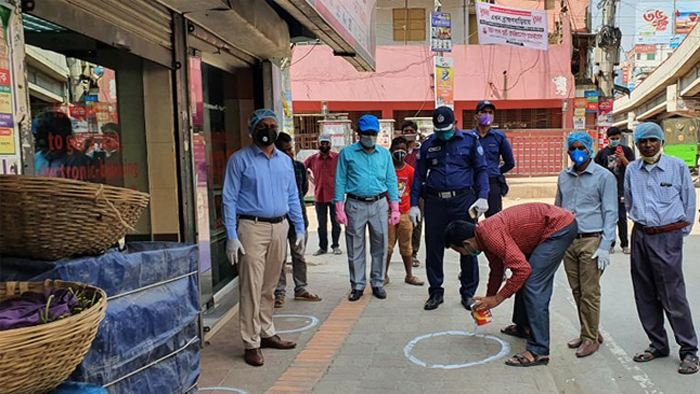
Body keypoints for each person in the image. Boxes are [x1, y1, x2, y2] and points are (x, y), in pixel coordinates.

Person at [444, 203, 577, 367]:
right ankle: (524, 327)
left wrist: (498, 299)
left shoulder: (490, 235)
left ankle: (539, 351)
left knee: (533, 284)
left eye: (460, 251)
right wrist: (488, 300)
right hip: (541, 231)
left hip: (558, 228)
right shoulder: (483, 237)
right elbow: (497, 270)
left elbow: (522, 270)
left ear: (466, 243)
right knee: (525, 278)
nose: (465, 254)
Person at [223, 109, 305, 367]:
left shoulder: (284, 161)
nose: (268, 130)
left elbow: (292, 195)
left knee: (270, 285)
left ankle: (267, 331)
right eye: (263, 125)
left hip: (279, 227)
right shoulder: (239, 160)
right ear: (252, 129)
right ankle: (251, 342)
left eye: (272, 125)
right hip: (251, 228)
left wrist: (299, 227)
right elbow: (229, 198)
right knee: (251, 287)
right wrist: (231, 235)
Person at [624, 122, 698, 375]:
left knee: (672, 295)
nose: (647, 145)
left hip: (668, 236)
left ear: (661, 142)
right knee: (644, 293)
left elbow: (689, 202)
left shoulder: (677, 167)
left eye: (652, 140)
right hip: (641, 236)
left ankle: (689, 350)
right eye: (642, 141)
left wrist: (678, 234)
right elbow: (629, 200)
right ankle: (657, 344)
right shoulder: (632, 170)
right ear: (637, 144)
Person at [409, 106, 489, 311]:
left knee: (469, 246)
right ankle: (436, 291)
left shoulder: (470, 142)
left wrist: (482, 197)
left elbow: (481, 170)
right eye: (439, 130)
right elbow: (418, 176)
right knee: (434, 247)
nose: (442, 133)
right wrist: (413, 205)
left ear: (455, 124)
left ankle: (468, 293)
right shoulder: (428, 145)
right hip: (435, 203)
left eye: (446, 129)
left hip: (464, 201)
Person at [555, 132, 617, 358]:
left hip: (592, 240)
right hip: (569, 241)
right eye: (573, 148)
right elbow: (558, 209)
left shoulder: (604, 177)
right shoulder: (564, 176)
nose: (577, 152)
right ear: (568, 151)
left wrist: (606, 244)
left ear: (590, 149)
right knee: (577, 290)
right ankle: (588, 331)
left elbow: (611, 212)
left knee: (590, 292)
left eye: (582, 147)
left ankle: (590, 339)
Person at [334, 114, 400, 302]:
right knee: (355, 246)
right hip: (355, 203)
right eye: (366, 133)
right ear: (358, 133)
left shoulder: (384, 154)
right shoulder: (347, 153)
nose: (370, 136)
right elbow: (340, 180)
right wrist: (339, 207)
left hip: (379, 203)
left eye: (373, 133)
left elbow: (391, 180)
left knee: (380, 243)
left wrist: (394, 207)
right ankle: (357, 285)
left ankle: (378, 282)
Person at [273, 132, 322, 308]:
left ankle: (301, 288)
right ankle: (279, 292)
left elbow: (300, 192)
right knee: (278, 257)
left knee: (299, 255)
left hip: (298, 217)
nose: (289, 154)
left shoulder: (299, 167)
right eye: (284, 151)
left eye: (290, 150)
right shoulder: (272, 168)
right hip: (277, 219)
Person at [385, 136, 424, 286]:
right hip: (388, 213)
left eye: (402, 149)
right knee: (387, 247)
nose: (400, 152)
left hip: (405, 213)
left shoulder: (410, 171)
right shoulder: (386, 170)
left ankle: (409, 275)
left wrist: (415, 208)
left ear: (407, 151)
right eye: (396, 149)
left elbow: (415, 191)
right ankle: (384, 275)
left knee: (406, 246)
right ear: (391, 151)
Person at [594, 126, 635, 254]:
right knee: (608, 217)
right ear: (607, 139)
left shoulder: (627, 151)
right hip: (606, 190)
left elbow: (632, 169)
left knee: (622, 217)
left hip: (622, 189)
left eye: (617, 138)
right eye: (613, 139)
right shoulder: (602, 154)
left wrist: (622, 158)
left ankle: (624, 244)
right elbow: (596, 172)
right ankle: (610, 243)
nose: (615, 141)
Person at [471, 101, 515, 217]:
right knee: (471, 219)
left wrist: (495, 171)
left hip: (493, 184)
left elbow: (510, 162)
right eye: (484, 112)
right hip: (473, 184)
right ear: (476, 116)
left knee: (494, 221)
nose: (487, 115)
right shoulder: (469, 138)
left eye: (490, 112)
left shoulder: (498, 137)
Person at [304, 133, 342, 256]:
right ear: (318, 144)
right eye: (322, 143)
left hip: (334, 195)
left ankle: (335, 245)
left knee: (335, 222)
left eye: (326, 143)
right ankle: (322, 247)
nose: (324, 145)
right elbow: (302, 167)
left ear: (330, 144)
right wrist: (310, 178)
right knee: (321, 224)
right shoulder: (313, 159)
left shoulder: (337, 158)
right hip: (319, 195)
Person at [401, 120, 423, 268]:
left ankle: (413, 253)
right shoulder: (399, 149)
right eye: (406, 131)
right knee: (402, 223)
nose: (409, 134)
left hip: (419, 190)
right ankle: (404, 252)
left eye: (411, 131)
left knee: (417, 222)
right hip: (402, 191)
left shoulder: (422, 149)